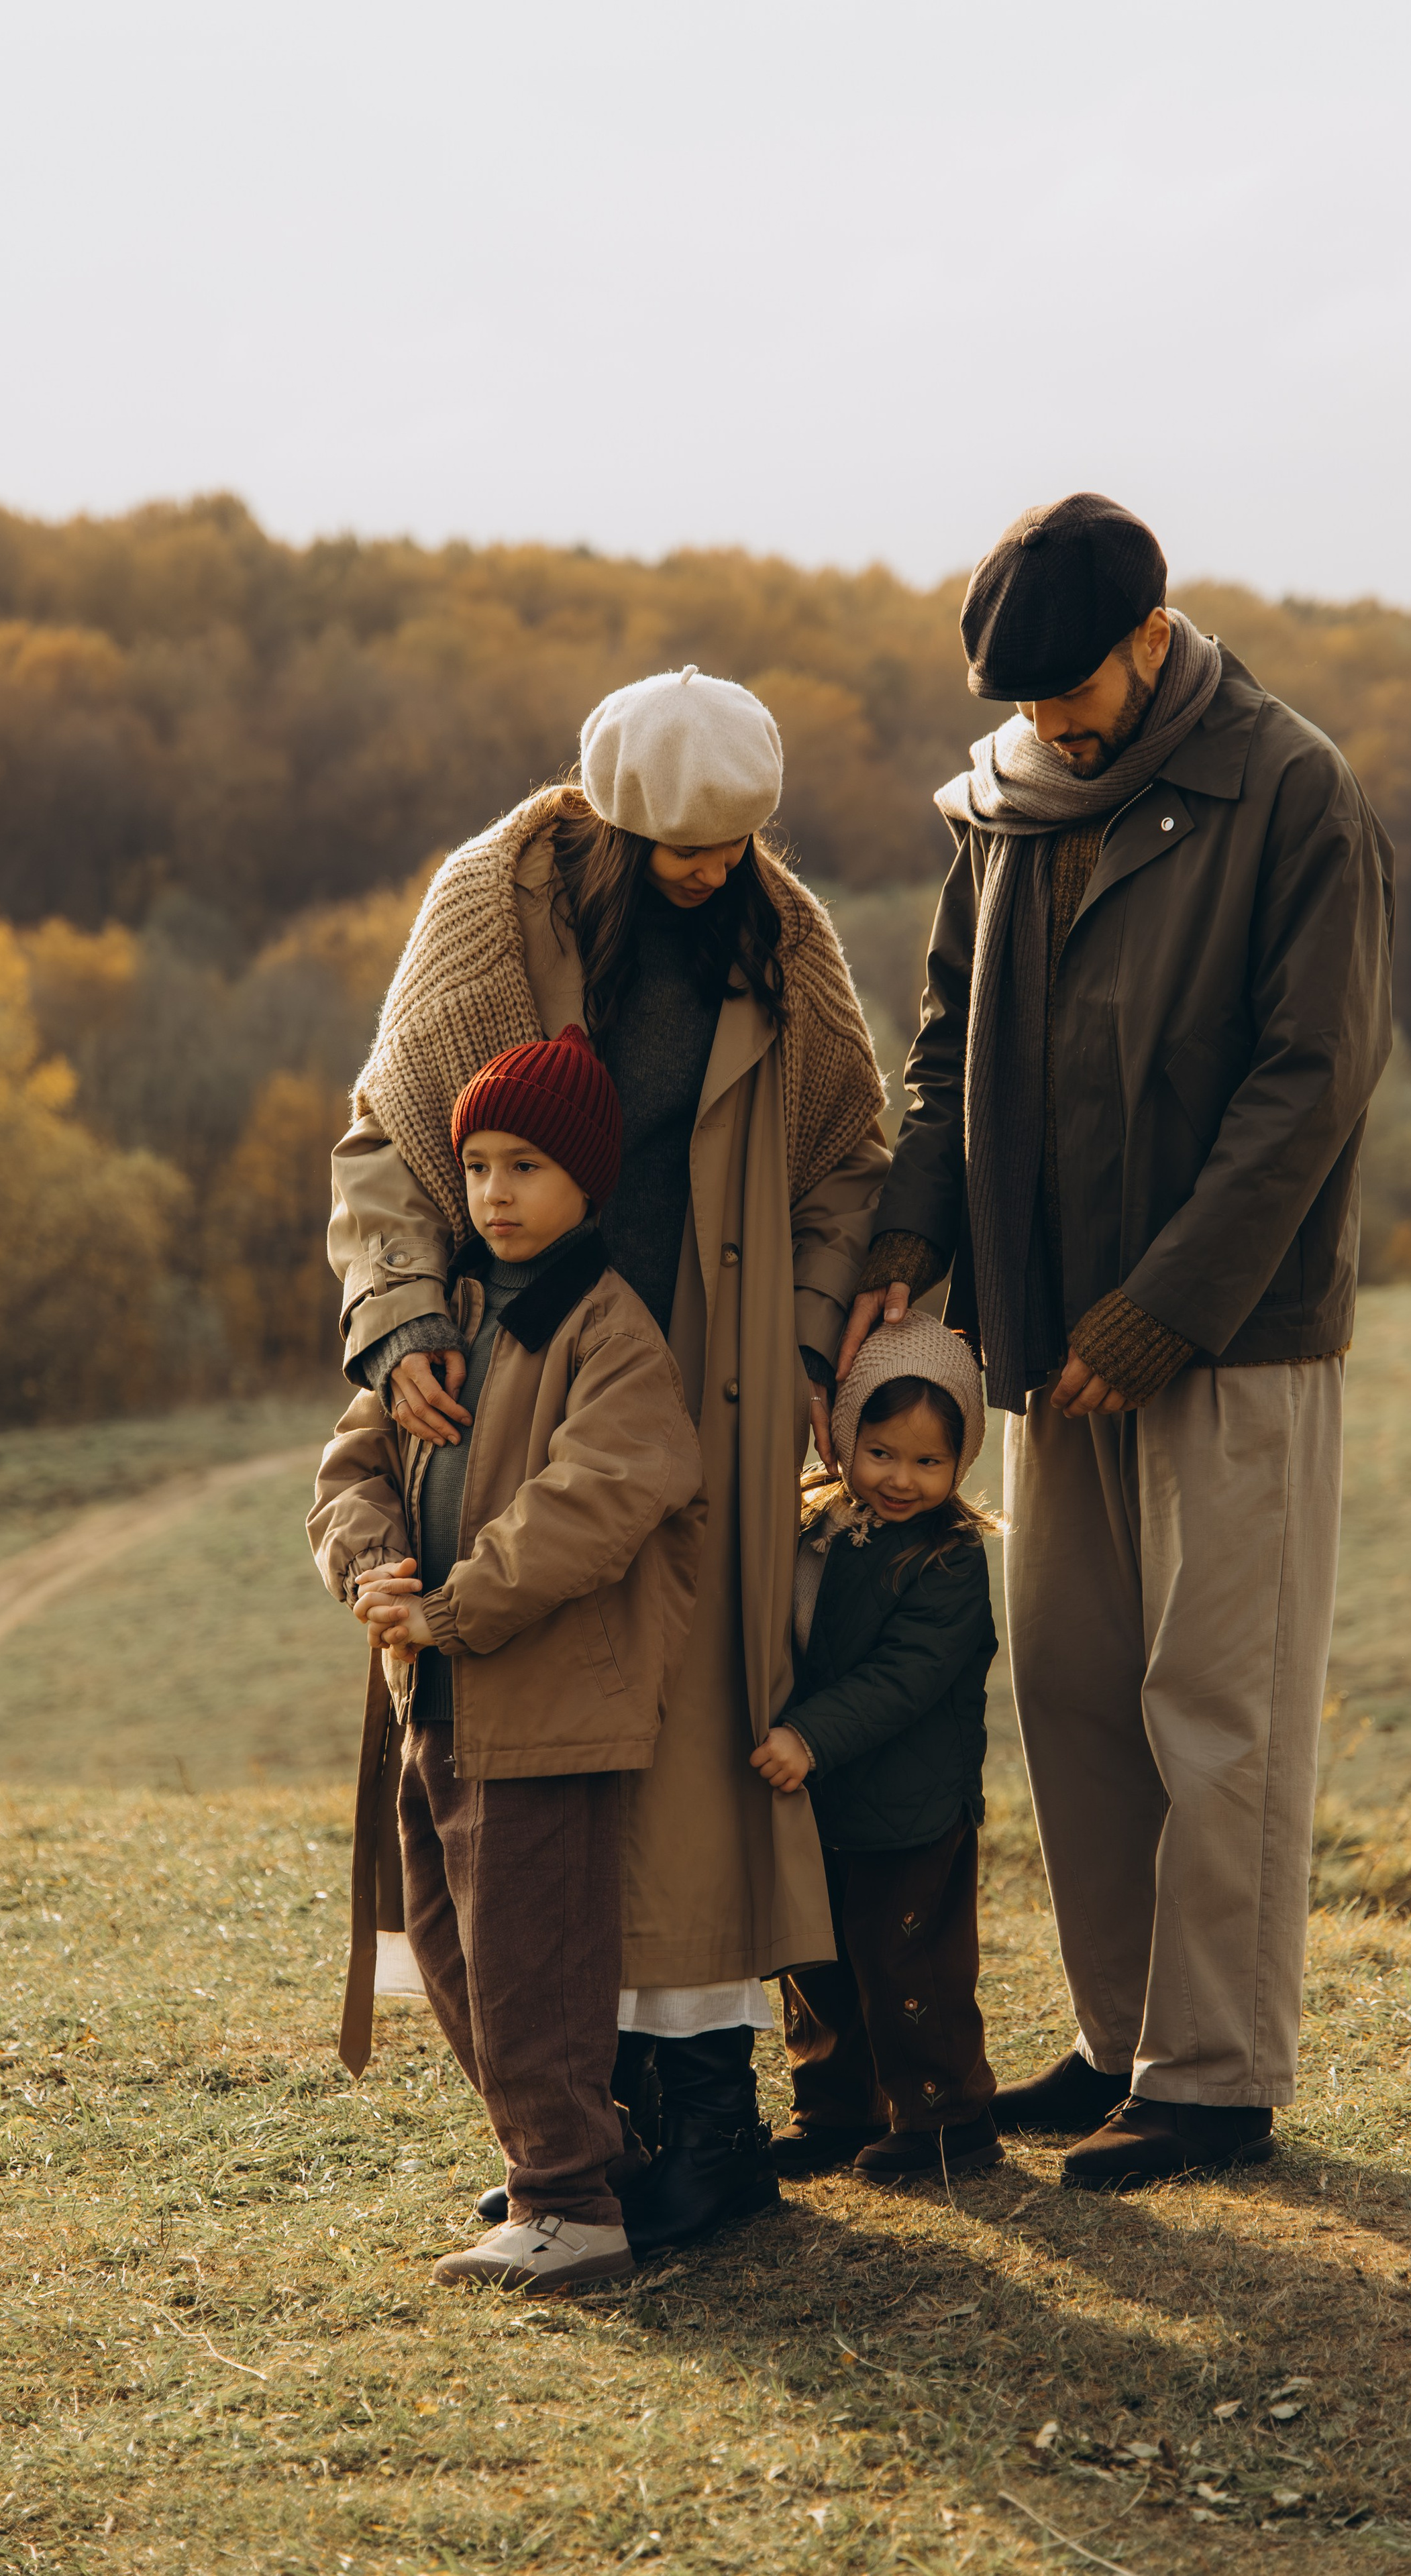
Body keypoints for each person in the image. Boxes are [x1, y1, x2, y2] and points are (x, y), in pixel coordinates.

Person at [837, 492, 1394, 2186]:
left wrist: (1157, 1314)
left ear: (1153, 641)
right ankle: (1114, 2045)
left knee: (1213, 1703)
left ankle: (1213, 2077)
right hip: (1038, 1335)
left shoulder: (1293, 791)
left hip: (1225, 1336)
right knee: (1075, 1685)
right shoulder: (1001, 806)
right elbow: (943, 1042)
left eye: (1066, 693)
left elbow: (1309, 1090)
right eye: (1018, 703)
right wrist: (916, 1232)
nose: (1042, 727)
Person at [326, 665, 890, 2251]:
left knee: (700, 1748)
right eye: (672, 850)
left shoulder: (788, 939)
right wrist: (398, 1317)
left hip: (705, 1397)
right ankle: (581, 2126)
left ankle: (708, 2125)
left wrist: (794, 1349)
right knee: (535, 1756)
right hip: (512, 1370)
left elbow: (847, 1157)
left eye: (730, 849)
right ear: (601, 816)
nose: (706, 875)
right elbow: (387, 1137)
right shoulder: (482, 908)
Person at [310, 1027, 706, 2293]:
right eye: (477, 1165)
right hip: (434, 1700)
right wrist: (371, 1570)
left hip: (545, 1702)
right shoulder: (447, 1323)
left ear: (588, 1182)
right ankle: (578, 2158)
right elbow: (351, 1469)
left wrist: (460, 1605)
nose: (493, 1193)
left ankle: (569, 2205)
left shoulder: (611, 1332)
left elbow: (603, 1496)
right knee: (446, 1946)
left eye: (525, 1166)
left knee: (534, 1957)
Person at [753, 1311, 1002, 2182]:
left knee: (907, 1961)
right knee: (814, 1958)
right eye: (883, 1452)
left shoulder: (948, 1560)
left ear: (961, 1460)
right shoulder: (817, 1528)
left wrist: (808, 1736)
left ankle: (947, 2119)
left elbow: (904, 1677)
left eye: (930, 1460)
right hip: (822, 1801)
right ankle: (834, 2110)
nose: (902, 1478)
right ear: (846, 1437)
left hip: (910, 1805)